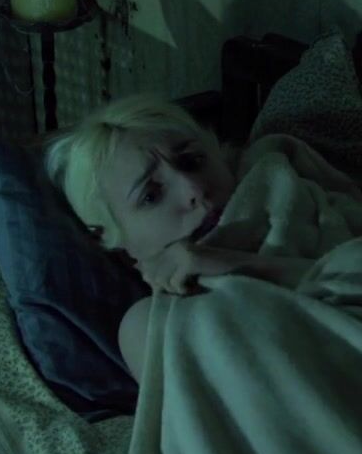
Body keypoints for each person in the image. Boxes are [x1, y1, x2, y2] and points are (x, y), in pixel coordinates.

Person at [43, 93, 317, 378]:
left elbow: (351, 272)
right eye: (151, 196)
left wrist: (238, 264)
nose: (194, 190)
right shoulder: (154, 328)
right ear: (113, 239)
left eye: (193, 161)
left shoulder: (289, 187)